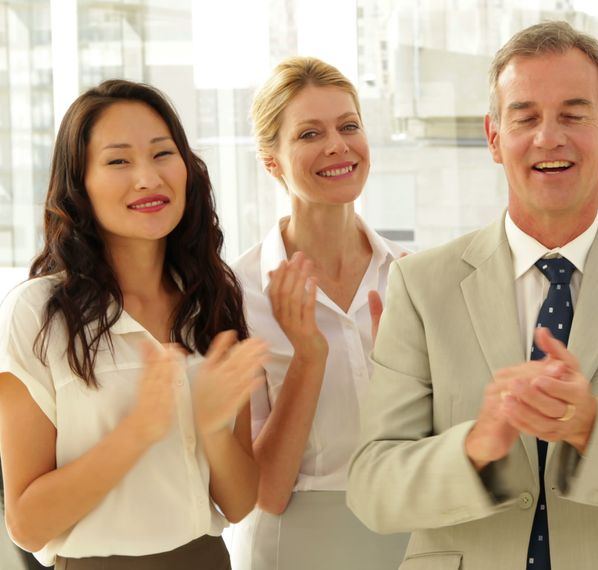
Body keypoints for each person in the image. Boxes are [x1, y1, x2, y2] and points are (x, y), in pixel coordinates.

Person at [347, 21, 598, 570]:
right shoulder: (421, 285)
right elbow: (373, 490)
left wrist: (590, 428)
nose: (548, 137)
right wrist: (475, 448)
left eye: (573, 115)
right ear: (493, 137)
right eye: (525, 117)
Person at [0, 79, 263, 569]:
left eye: (162, 154)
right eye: (118, 160)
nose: (147, 178)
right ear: (80, 184)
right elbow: (27, 523)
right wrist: (139, 429)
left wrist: (209, 427)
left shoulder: (215, 301)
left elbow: (241, 501)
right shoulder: (36, 315)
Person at [229, 56, 410, 569]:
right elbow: (263, 490)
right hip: (292, 544)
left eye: (348, 126)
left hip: (409, 535)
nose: (337, 145)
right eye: (309, 134)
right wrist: (308, 357)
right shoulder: (236, 294)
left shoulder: (411, 278)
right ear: (272, 162)